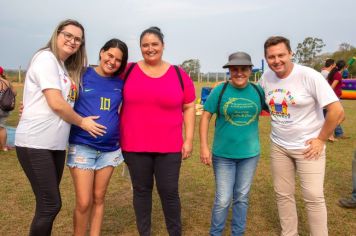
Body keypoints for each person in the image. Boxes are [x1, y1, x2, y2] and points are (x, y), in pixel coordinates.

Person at [15, 19, 106, 236]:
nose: (72, 41)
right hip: (35, 142)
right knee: (50, 204)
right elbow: (56, 103)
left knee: (45, 205)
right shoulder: (46, 58)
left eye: (78, 39)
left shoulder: (64, 67)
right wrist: (83, 122)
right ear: (57, 34)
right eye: (68, 35)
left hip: (54, 145)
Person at [259, 36, 345, 236]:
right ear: (266, 57)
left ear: (291, 54)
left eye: (281, 55)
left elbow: (337, 111)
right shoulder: (266, 78)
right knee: (283, 195)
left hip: (308, 147)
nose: (276, 60)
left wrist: (321, 139)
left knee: (313, 197)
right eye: (271, 57)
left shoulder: (309, 75)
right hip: (279, 146)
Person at [120, 26, 196, 236]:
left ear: (163, 46)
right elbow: (102, 84)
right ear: (140, 47)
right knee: (142, 192)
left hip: (169, 147)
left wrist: (188, 139)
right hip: (134, 145)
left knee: (169, 192)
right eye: (145, 45)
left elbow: (189, 106)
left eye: (154, 44)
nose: (150, 48)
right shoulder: (128, 70)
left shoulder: (179, 74)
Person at [66, 38, 128, 235]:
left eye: (118, 60)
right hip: (82, 145)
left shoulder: (120, 83)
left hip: (110, 150)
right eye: (110, 55)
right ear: (101, 53)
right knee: (84, 202)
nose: (112, 62)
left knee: (99, 198)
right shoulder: (81, 74)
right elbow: (59, 97)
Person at [200, 52, 264, 236]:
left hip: (250, 155)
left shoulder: (257, 90)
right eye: (234, 69)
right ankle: (216, 233)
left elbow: (277, 110)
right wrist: (204, 147)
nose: (239, 73)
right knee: (223, 199)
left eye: (243, 69)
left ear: (250, 70)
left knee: (242, 197)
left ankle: (238, 233)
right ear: (229, 70)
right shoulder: (219, 91)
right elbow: (205, 117)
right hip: (223, 155)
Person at [327, 60, 350, 139]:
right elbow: (332, 87)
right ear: (343, 67)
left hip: (333, 97)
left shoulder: (332, 73)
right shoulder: (337, 75)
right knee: (342, 117)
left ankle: (333, 134)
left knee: (336, 117)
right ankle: (329, 133)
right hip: (335, 98)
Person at [0, 66, 16, 151]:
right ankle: (4, 147)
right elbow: (15, 93)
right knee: (2, 127)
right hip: (5, 109)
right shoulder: (7, 82)